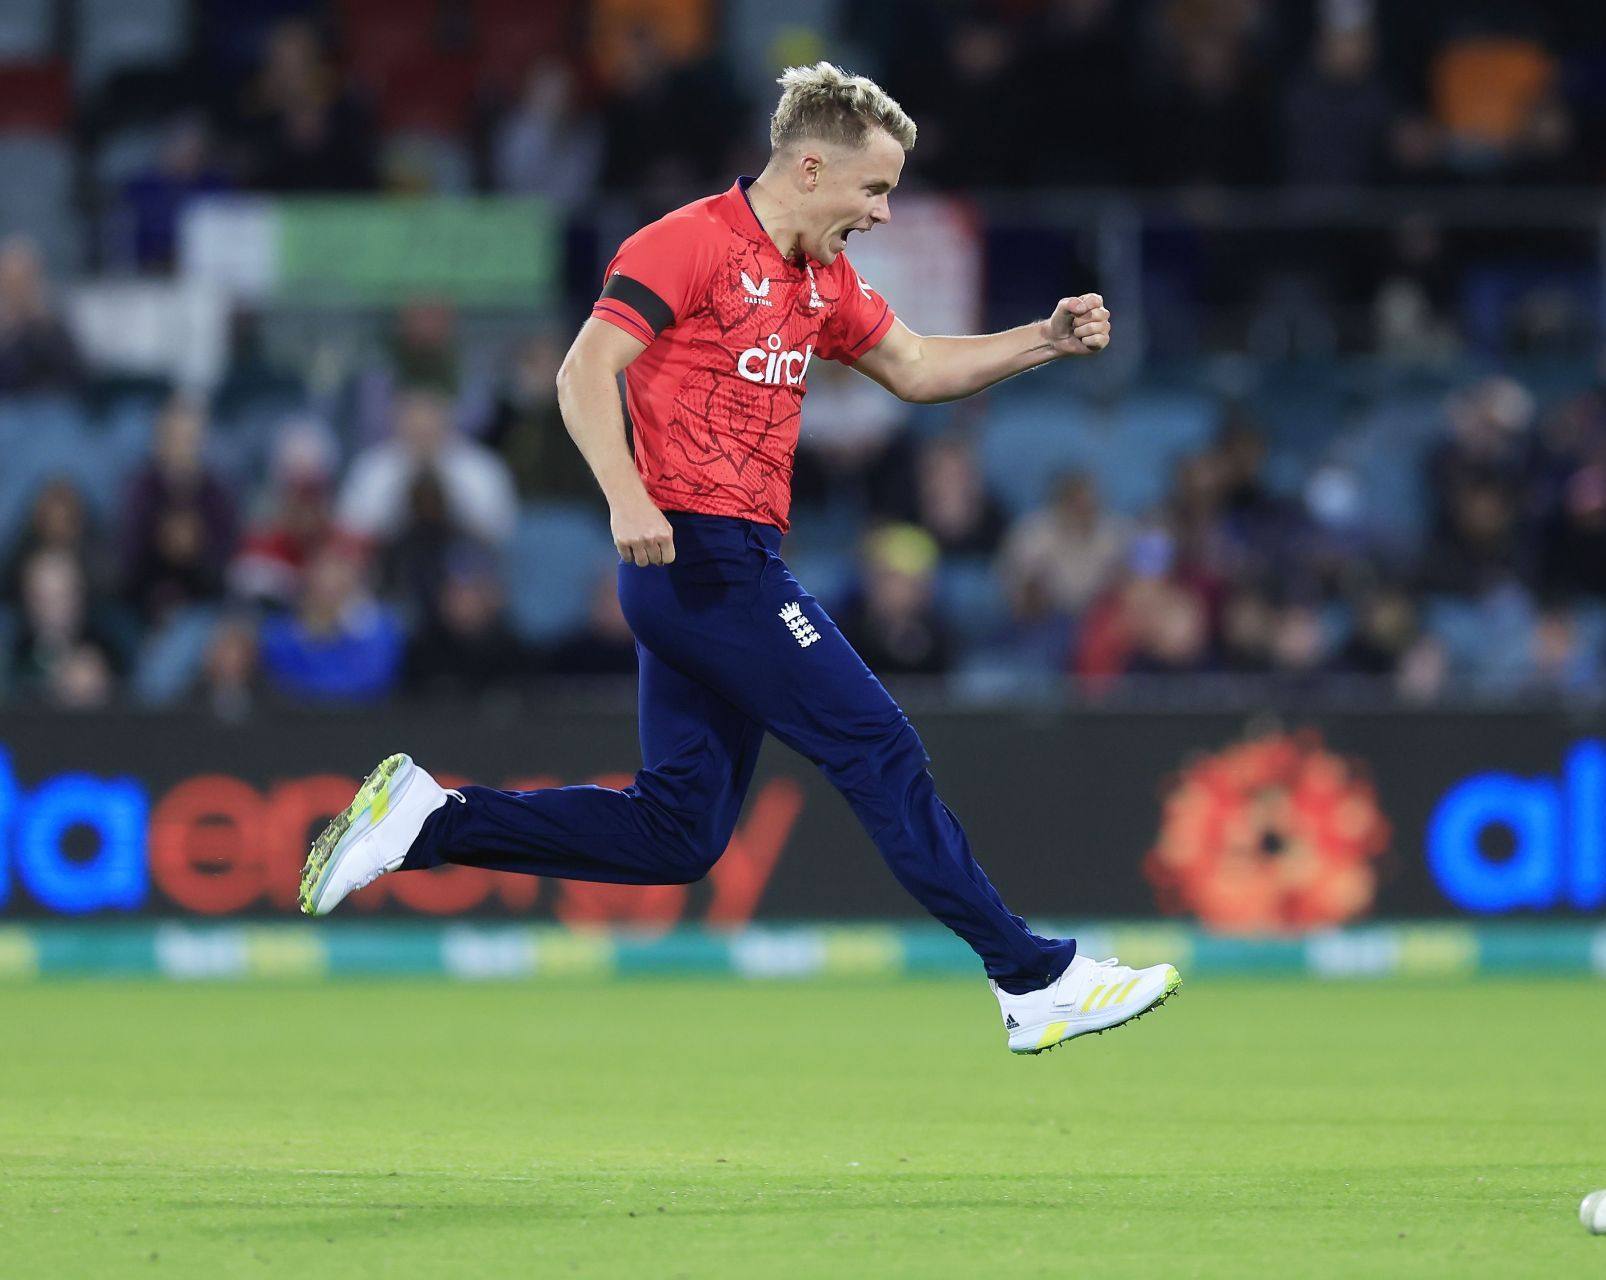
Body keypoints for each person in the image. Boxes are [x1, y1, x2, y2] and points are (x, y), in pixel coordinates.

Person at [298, 62, 1178, 1054]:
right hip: (702, 560)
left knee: (679, 832)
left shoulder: (822, 278)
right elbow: (584, 368)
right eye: (874, 188)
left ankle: (430, 819)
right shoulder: (688, 243)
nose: (884, 213)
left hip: (717, 565)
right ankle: (1031, 977)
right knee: (877, 746)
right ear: (809, 167)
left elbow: (919, 366)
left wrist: (1044, 340)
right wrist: (625, 490)